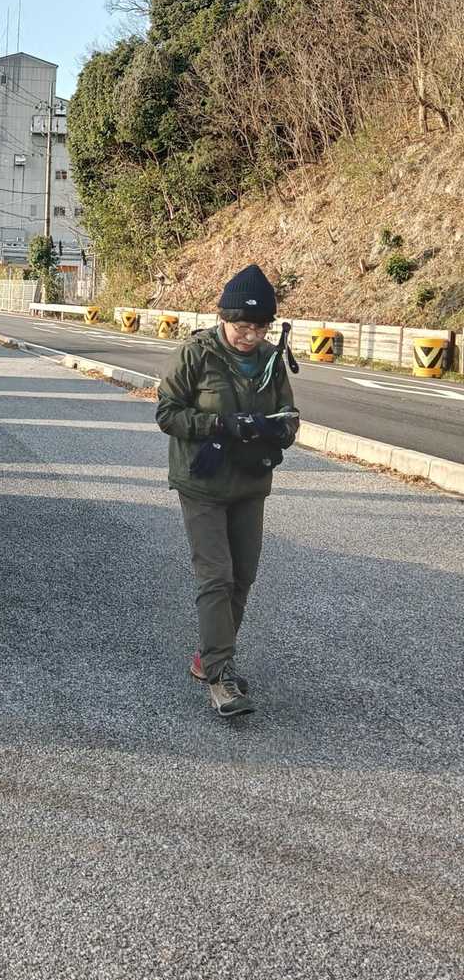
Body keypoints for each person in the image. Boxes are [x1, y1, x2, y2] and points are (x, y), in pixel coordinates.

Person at [155, 264, 299, 719]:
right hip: (202, 482)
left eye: (260, 327)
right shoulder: (196, 354)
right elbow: (167, 413)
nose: (250, 336)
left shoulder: (272, 360)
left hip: (250, 483)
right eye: (242, 326)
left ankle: (208, 656)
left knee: (242, 577)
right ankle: (220, 677)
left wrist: (273, 430)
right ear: (223, 319)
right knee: (215, 576)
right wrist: (219, 423)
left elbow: (289, 416)